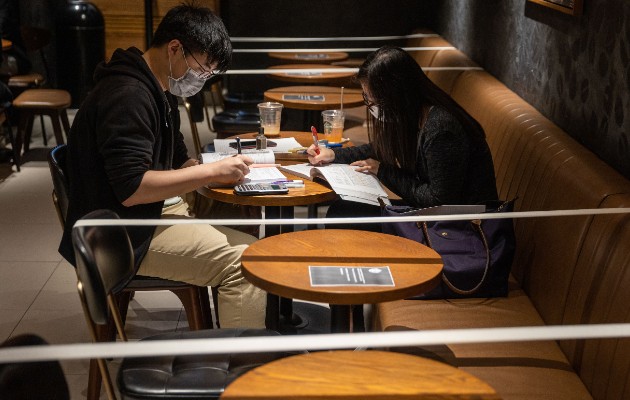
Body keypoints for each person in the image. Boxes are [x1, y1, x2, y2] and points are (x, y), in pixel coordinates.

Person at [58, 4, 266, 328]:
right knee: (247, 261)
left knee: (247, 214)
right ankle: (241, 368)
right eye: (203, 68)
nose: (204, 79)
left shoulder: (158, 85)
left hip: (148, 213)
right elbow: (132, 189)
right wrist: (210, 171)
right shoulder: (128, 95)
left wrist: (200, 168)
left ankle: (243, 318)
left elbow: (175, 155)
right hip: (123, 233)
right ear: (174, 48)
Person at [307, 46, 498, 231]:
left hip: (460, 230)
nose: (371, 106)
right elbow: (379, 149)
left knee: (344, 215)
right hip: (436, 218)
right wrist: (332, 154)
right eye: (366, 98)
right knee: (344, 210)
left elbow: (439, 202)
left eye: (373, 100)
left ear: (397, 95)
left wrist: (382, 171)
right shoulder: (414, 114)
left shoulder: (441, 129)